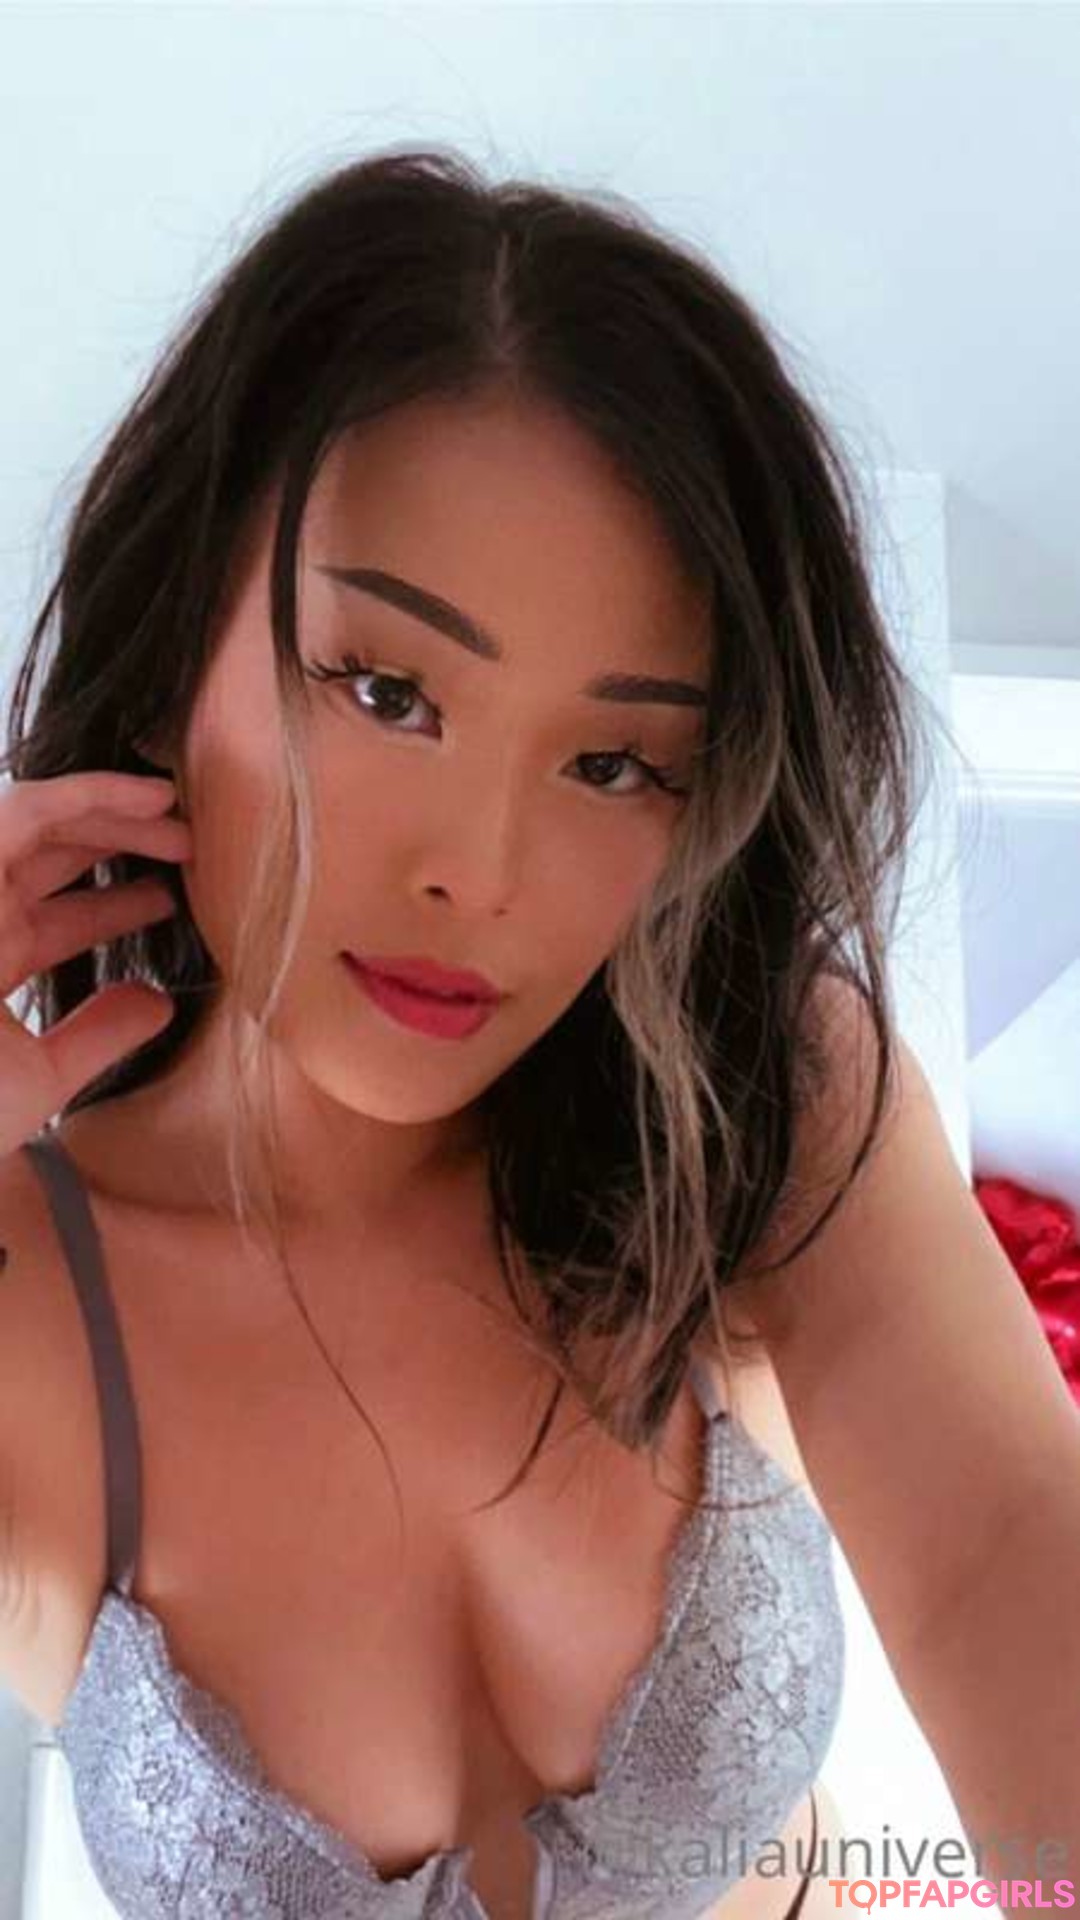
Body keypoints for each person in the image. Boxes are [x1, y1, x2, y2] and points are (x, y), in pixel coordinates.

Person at [0, 146, 1075, 1920]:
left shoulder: (744, 1096)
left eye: (614, 763)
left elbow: (1005, 1548)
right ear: (179, 625)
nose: (482, 877)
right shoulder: (37, 1295)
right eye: (386, 689)